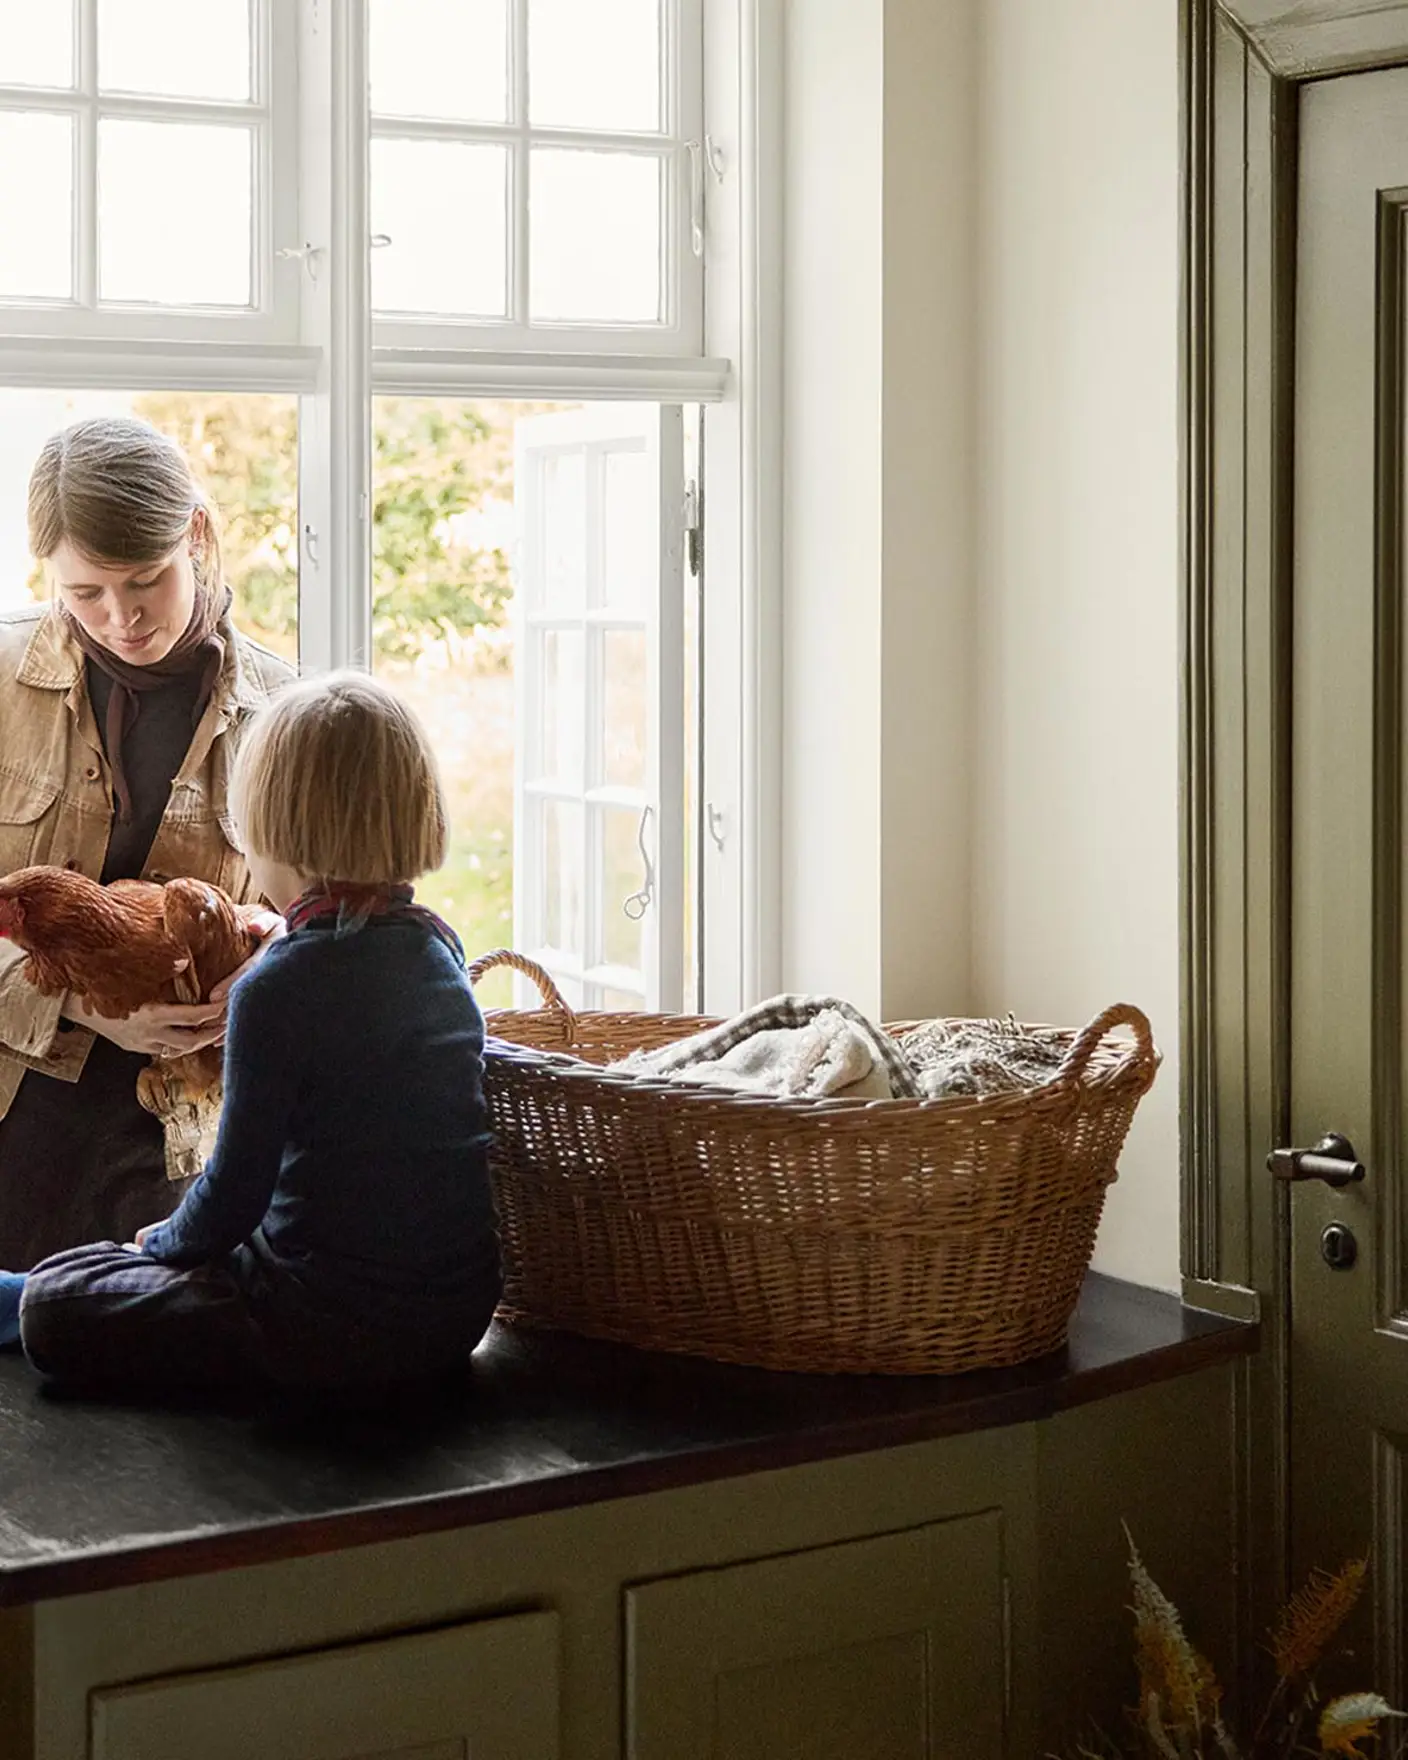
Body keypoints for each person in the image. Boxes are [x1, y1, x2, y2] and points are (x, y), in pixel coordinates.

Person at [0, 672, 503, 1398]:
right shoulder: (438, 954)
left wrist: (163, 1244)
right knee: (139, 1269)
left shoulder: (278, 989)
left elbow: (232, 1197)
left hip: (314, 1321)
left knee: (55, 1306)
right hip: (454, 1315)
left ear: (276, 835)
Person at [0, 417, 292, 1269]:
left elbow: (316, 929)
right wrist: (70, 998)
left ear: (195, 534)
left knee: (143, 1387)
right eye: (85, 592)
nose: (120, 618)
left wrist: (256, 971)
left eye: (145, 581)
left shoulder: (284, 713)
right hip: (16, 1111)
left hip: (184, 1143)